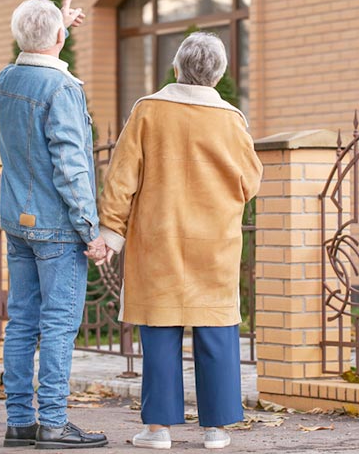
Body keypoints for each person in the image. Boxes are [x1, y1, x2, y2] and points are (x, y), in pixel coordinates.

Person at [97, 32, 263, 450]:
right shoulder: (231, 119)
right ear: (220, 73)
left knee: (158, 329)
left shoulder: (147, 111)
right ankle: (217, 430)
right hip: (215, 242)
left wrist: (110, 232)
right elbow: (250, 181)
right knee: (218, 331)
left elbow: (121, 179)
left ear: (176, 67)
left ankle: (158, 430)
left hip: (159, 237)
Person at [0, 0, 108, 449]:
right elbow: (70, 165)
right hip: (58, 227)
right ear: (59, 38)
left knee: (21, 322)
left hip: (18, 223)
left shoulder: (7, 79)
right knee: (58, 325)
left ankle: (20, 422)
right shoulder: (63, 90)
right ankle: (55, 424)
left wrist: (57, 25)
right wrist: (91, 229)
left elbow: (36, 53)